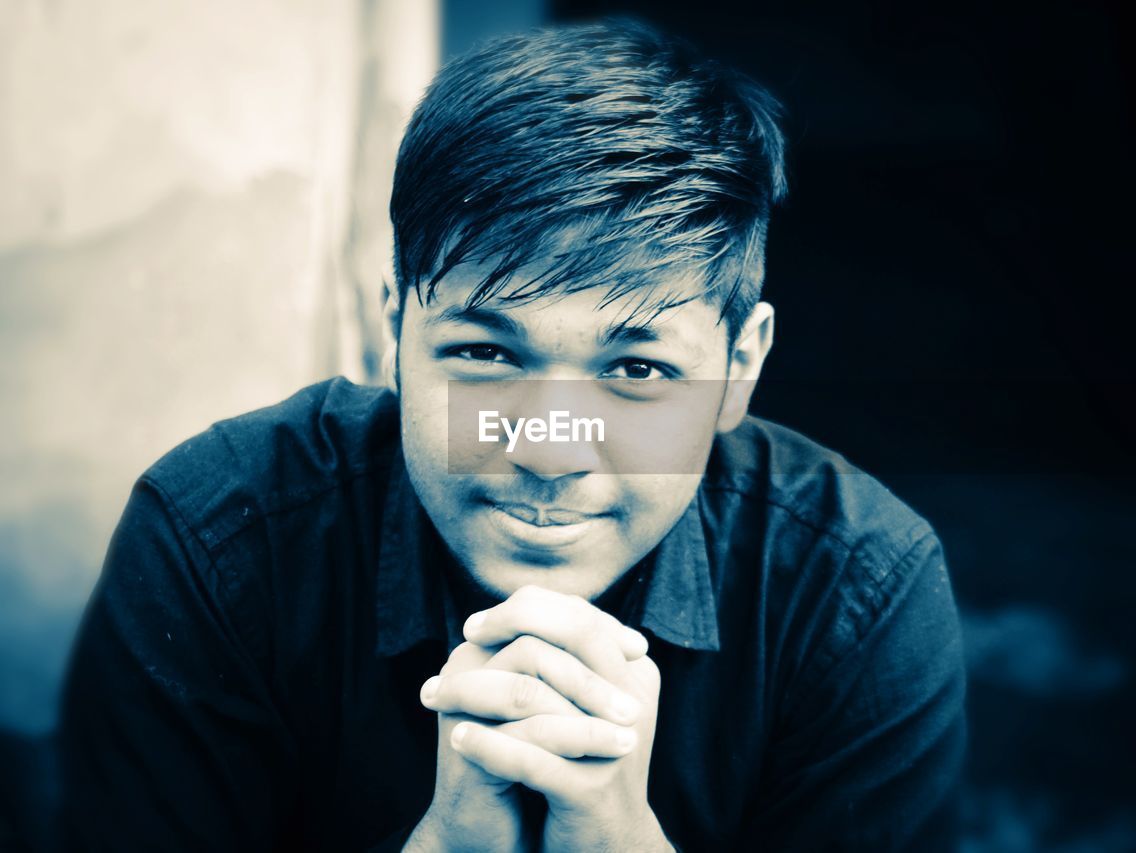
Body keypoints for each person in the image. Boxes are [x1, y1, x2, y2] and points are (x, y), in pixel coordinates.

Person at [59, 19, 966, 852]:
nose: (548, 445)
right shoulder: (219, 541)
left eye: (637, 370)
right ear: (393, 336)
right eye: (486, 352)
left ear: (738, 366)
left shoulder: (855, 587)